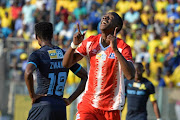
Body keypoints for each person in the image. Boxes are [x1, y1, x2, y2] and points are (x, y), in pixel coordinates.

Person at [63, 12, 135, 120]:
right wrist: (74, 45)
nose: (105, 17)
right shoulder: (90, 42)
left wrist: (115, 50)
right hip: (89, 104)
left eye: (110, 18)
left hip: (111, 108)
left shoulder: (122, 47)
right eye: (105, 16)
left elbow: (130, 75)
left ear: (117, 27)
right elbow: (66, 64)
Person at [24, 22, 88, 120]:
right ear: (52, 36)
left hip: (43, 105)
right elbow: (84, 76)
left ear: (37, 37)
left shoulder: (38, 54)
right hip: (60, 107)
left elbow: (28, 72)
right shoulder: (64, 54)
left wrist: (32, 95)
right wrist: (70, 100)